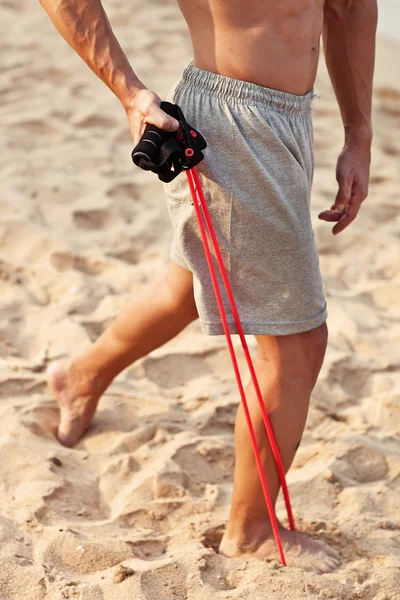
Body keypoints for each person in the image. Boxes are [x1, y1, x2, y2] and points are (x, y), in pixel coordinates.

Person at [39, 0, 377, 572]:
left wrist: (359, 133)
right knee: (297, 345)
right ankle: (249, 531)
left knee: (188, 286)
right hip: (231, 126)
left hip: (293, 117)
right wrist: (129, 91)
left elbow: (347, 7)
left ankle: (81, 376)